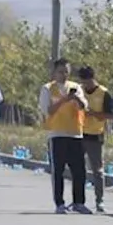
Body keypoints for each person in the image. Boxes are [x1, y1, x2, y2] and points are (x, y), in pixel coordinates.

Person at [39, 58, 89, 213]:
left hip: (75, 134)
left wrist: (76, 98)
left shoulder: (75, 88)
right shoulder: (48, 89)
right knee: (58, 171)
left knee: (79, 171)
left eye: (66, 71)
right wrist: (64, 99)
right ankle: (59, 203)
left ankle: (79, 202)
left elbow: (84, 106)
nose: (64, 75)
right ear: (54, 72)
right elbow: (48, 110)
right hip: (57, 134)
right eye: (60, 71)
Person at [78, 66, 112, 212]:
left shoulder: (103, 93)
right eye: (83, 82)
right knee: (78, 169)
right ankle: (79, 201)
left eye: (87, 82)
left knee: (97, 170)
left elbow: (111, 115)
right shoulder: (78, 91)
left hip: (95, 134)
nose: (85, 85)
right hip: (78, 133)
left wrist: (94, 114)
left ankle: (100, 200)